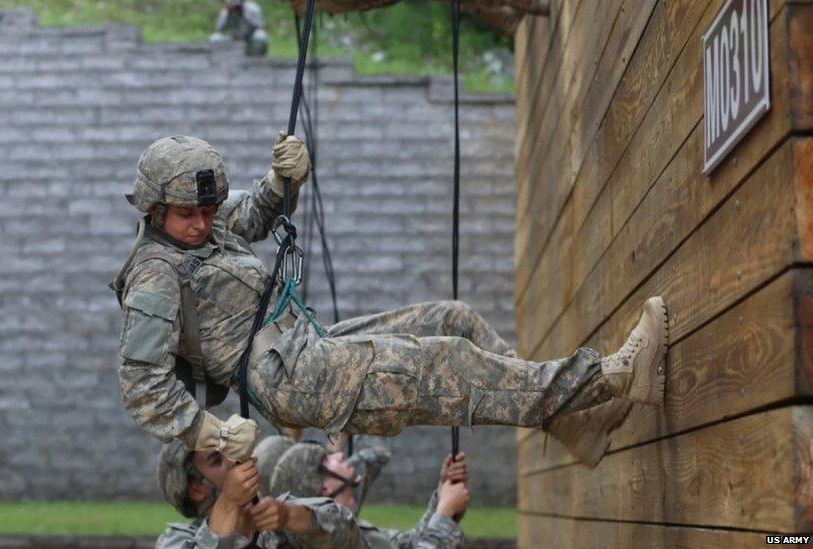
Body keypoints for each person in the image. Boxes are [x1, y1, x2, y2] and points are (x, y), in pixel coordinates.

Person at [111, 133, 669, 466]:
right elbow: (143, 383)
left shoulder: (204, 223)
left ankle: (575, 424)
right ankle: (612, 378)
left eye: (207, 212)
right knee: (445, 365)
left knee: (455, 321)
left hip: (307, 342)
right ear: (155, 209)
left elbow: (254, 214)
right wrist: (210, 433)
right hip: (288, 376)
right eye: (189, 215)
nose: (203, 223)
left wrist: (284, 180)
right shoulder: (154, 277)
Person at [154, 438, 360, 548]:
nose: (234, 459)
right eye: (217, 460)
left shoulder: (281, 514)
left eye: (230, 448)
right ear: (197, 489)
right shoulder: (179, 541)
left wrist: (290, 516)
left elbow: (349, 536)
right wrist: (228, 504)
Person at [269, 442, 470, 548]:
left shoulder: (355, 530)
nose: (339, 455)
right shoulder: (334, 544)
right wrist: (444, 514)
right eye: (327, 459)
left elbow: (408, 544)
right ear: (323, 490)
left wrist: (443, 493)